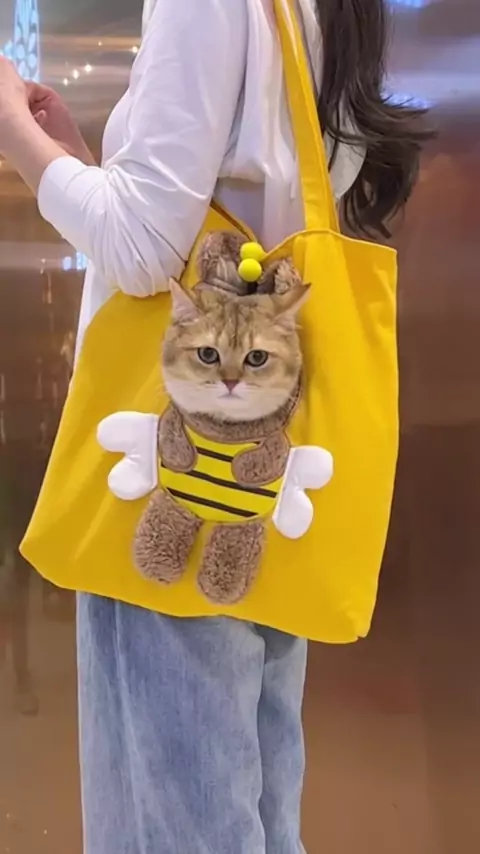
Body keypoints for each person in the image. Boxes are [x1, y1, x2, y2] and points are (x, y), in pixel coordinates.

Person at [0, 1, 430, 851]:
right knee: (251, 806)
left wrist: (14, 132)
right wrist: (84, 165)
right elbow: (204, 221)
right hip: (264, 460)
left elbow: (142, 251)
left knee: (177, 822)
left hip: (177, 459)